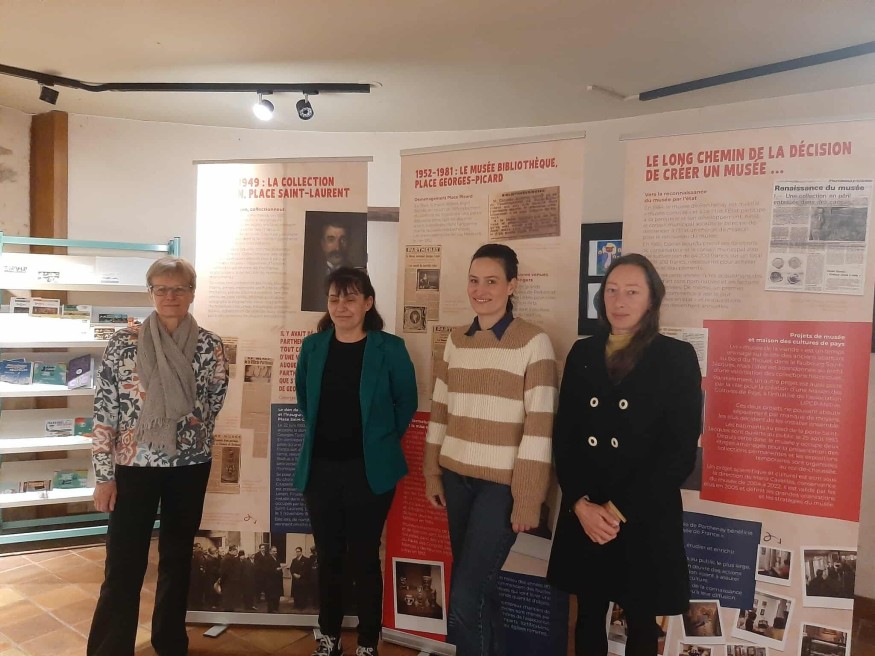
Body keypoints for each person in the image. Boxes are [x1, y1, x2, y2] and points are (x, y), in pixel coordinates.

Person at [547, 253, 702, 656]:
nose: (619, 301)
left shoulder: (676, 357)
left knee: (642, 623)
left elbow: (678, 453)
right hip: (587, 510)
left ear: (651, 300)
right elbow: (565, 437)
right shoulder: (583, 353)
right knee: (587, 615)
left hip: (641, 514)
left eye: (632, 292)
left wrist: (615, 511)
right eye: (612, 290)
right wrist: (580, 504)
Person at [87, 256, 229, 656]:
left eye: (179, 288)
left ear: (192, 293)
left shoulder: (210, 345)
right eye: (161, 289)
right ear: (150, 293)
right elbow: (105, 410)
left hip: (189, 466)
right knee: (123, 563)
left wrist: (189, 434)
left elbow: (215, 398)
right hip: (133, 466)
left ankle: (169, 642)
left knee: (178, 559)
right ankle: (110, 648)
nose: (170, 296)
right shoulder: (123, 344)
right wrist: (104, 475)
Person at [423, 243, 558, 656]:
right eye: (474, 280)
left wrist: (528, 499)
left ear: (511, 285)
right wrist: (432, 472)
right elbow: (440, 410)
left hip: (500, 489)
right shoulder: (455, 341)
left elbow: (540, 426)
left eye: (492, 281)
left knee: (465, 598)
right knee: (480, 591)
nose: (480, 290)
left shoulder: (534, 342)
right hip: (457, 480)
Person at [295, 266, 417, 656]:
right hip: (321, 471)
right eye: (334, 299)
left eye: (350, 298)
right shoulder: (313, 347)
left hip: (370, 473)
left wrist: (380, 441)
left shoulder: (389, 348)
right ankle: (329, 636)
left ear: (368, 303)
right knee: (328, 556)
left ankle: (367, 641)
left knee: (364, 557)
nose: (341, 306)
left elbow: (406, 402)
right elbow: (304, 400)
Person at [302, 222, 352, 312]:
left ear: (349, 243)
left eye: (343, 240)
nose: (337, 248)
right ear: (323, 244)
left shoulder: (357, 274)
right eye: (331, 240)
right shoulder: (309, 274)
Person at [220, 545, 243, 612]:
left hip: (229, 581)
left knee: (229, 599)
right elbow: (226, 571)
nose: (237, 552)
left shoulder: (229, 558)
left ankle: (229, 610)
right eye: (236, 550)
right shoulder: (229, 559)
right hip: (229, 582)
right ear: (231, 550)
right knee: (228, 599)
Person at [264, 546, 285, 613]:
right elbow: (267, 570)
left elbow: (279, 569)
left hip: (277, 582)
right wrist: (276, 569)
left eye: (276, 551)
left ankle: (276, 608)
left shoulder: (277, 559)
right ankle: (271, 609)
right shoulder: (267, 559)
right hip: (270, 582)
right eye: (274, 551)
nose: (275, 552)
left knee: (276, 596)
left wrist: (280, 570)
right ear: (270, 552)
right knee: (271, 596)